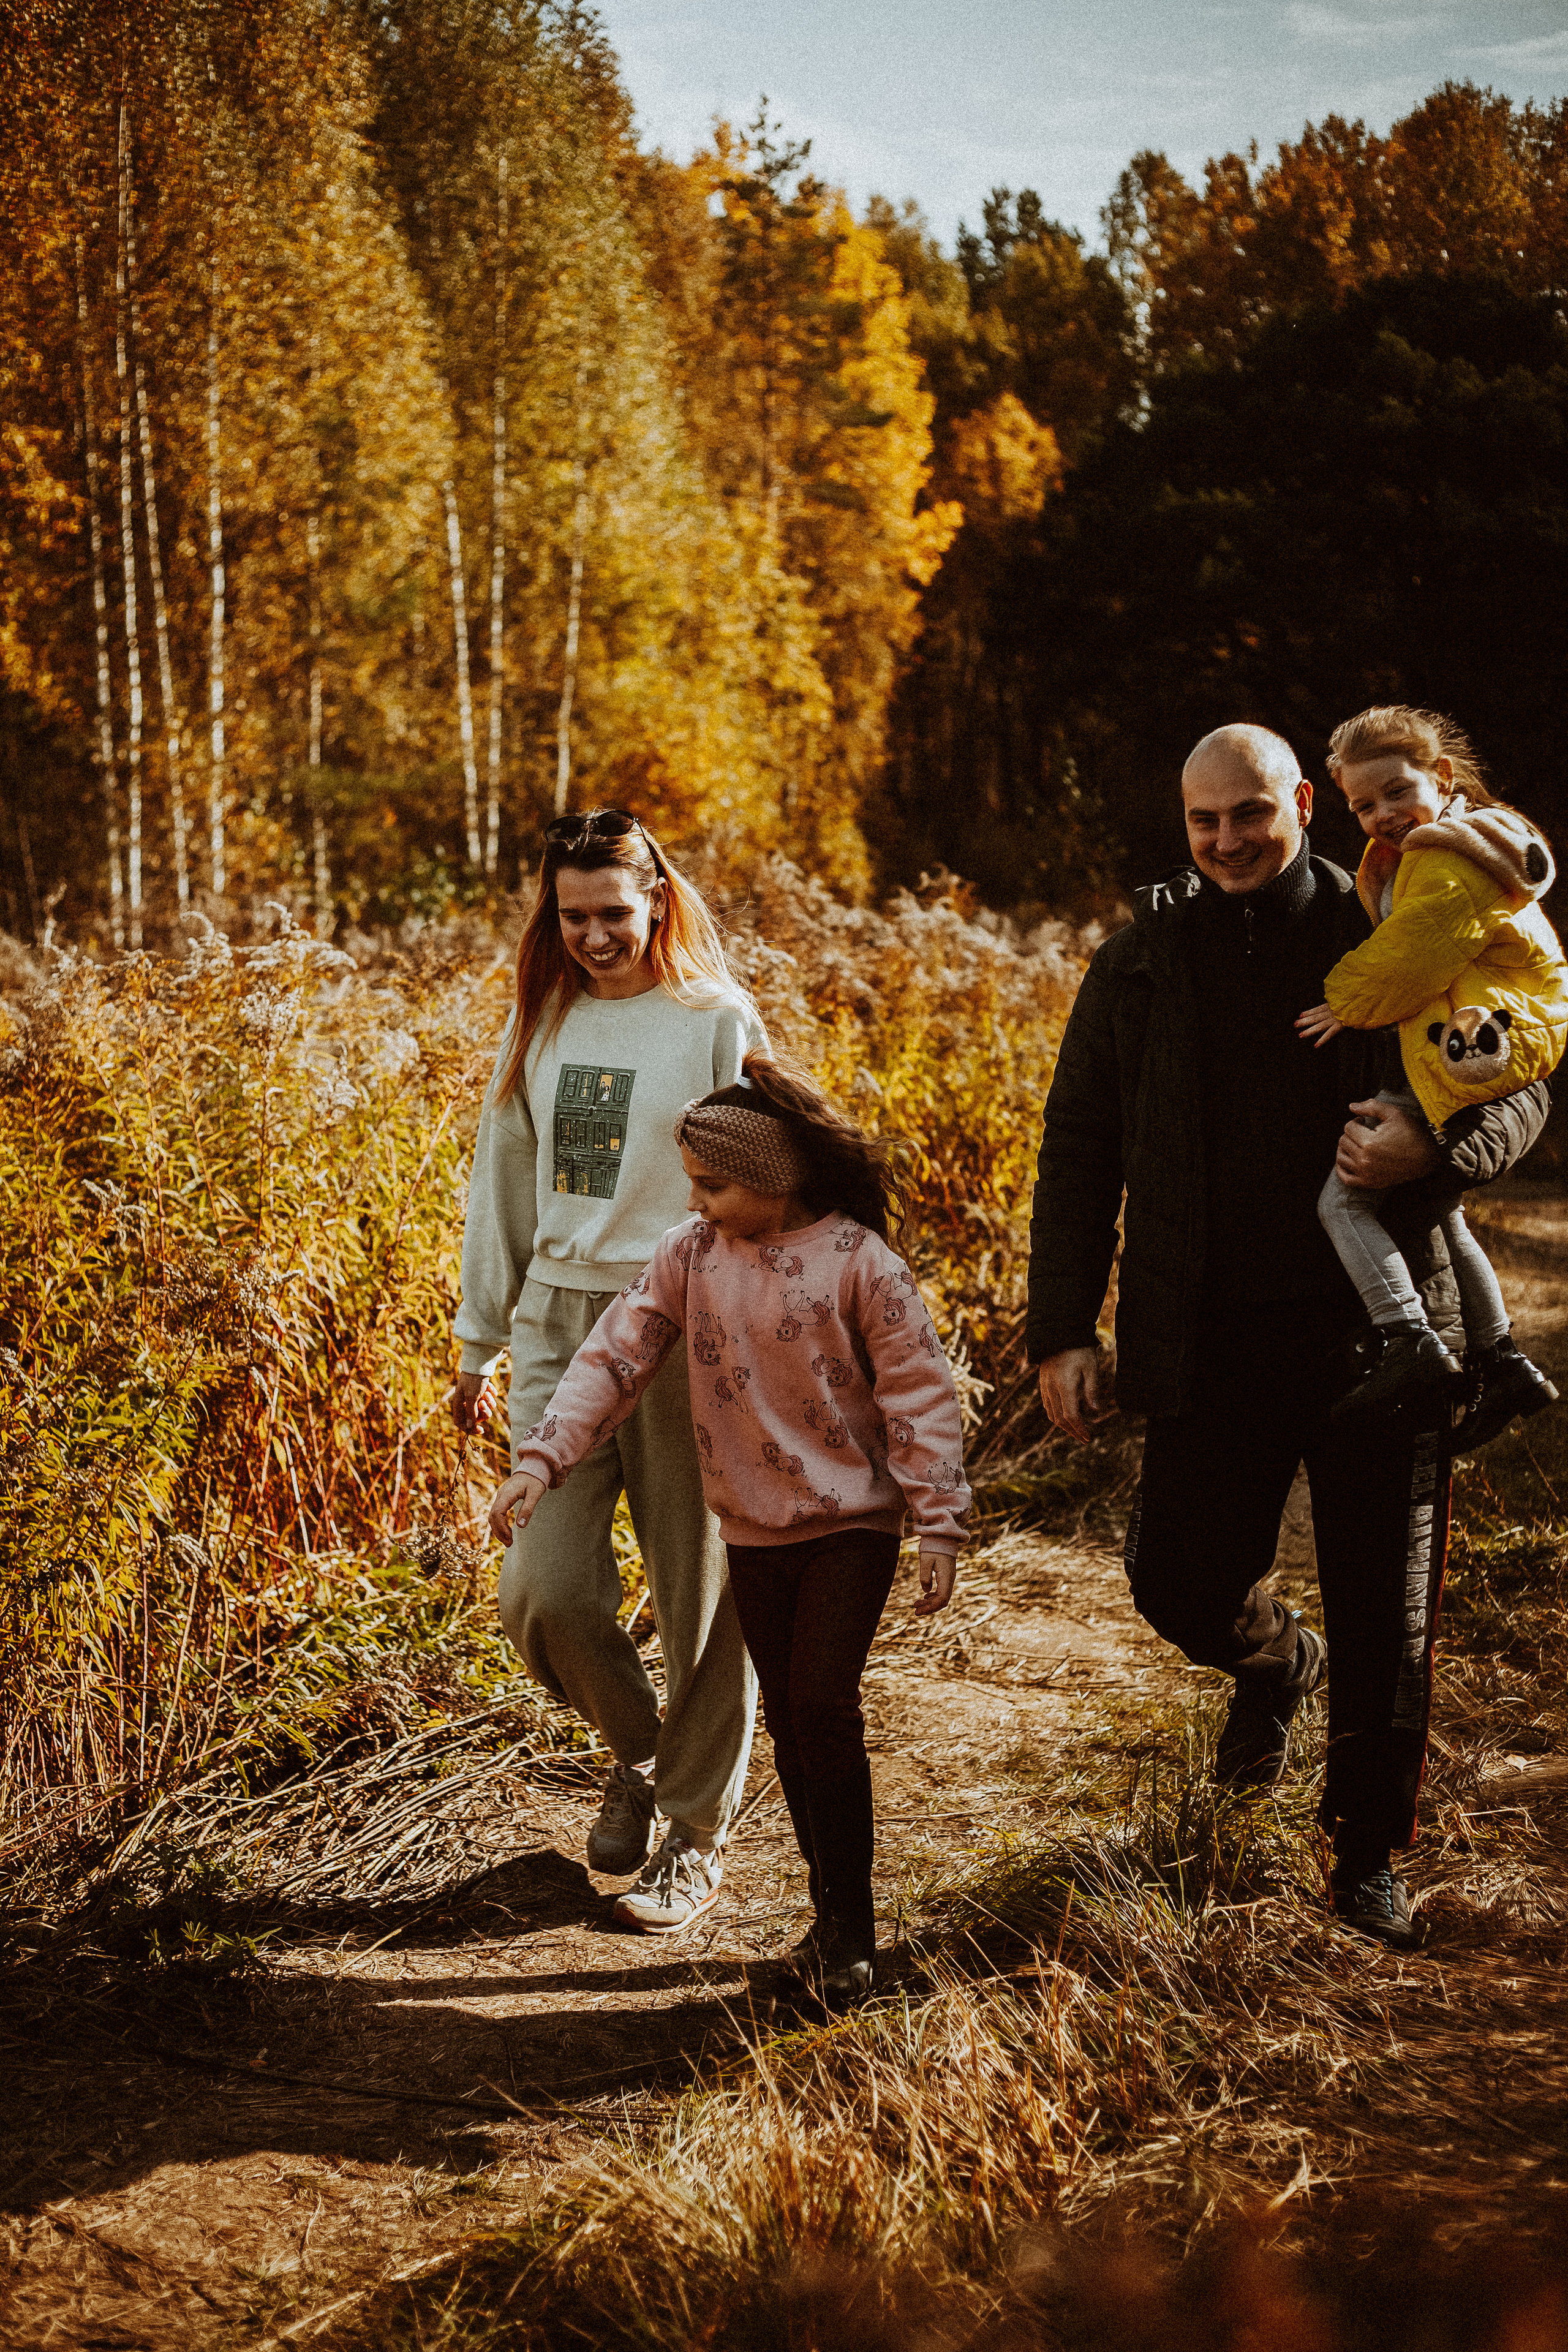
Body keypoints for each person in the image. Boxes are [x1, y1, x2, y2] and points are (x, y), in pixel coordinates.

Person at [1027, 723, 1549, 1953]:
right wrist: (1061, 1329)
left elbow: (1518, 1072)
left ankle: (1362, 1856)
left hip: (1385, 1334)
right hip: (1203, 1335)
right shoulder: (1140, 960)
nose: (1226, 841)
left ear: (1302, 804)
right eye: (1203, 820)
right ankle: (1273, 1666)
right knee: (1178, 1584)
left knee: (1389, 1621)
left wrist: (1438, 1144)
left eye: (1250, 813)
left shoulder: (1390, 923)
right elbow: (1078, 1147)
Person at [487, 1054, 970, 2004]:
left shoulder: (859, 1262)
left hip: (853, 1527)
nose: (694, 1201)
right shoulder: (691, 1256)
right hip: (753, 1529)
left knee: (824, 1710)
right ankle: (827, 1927)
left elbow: (921, 1395)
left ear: (774, 1176)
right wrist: (541, 1459)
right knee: (790, 1722)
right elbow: (613, 1359)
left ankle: (853, 1938)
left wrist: (939, 1523)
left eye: (712, 1184)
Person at [452, 807, 763, 1934]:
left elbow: (767, 1181)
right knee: (544, 1593)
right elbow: (503, 1182)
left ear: (658, 902)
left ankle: (696, 1836)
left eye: (613, 913)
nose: (592, 936)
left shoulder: (715, 1021)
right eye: (572, 916)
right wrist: (479, 1342)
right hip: (558, 1327)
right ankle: (649, 1756)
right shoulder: (543, 1021)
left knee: (700, 1596)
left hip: (689, 1322)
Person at [1296, 705, 1566, 1434]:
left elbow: (1414, 952)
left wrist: (1344, 1001)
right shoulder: (1447, 846)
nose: (1381, 814)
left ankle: (1407, 1337)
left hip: (1466, 1043)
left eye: (1396, 791)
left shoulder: (1449, 857)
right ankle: (1504, 1361)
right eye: (1363, 806)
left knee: (1343, 1205)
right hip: (1465, 1033)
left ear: (1441, 777)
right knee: (1442, 1213)